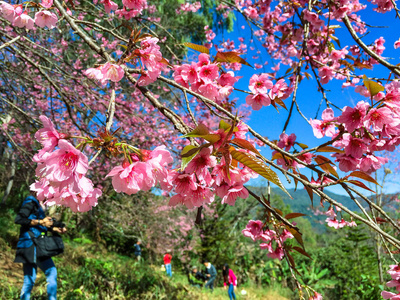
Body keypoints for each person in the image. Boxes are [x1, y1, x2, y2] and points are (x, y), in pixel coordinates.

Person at [14, 194, 67, 300]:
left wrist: (55, 229)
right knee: (50, 272)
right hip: (30, 244)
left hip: (32, 244)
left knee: (30, 279)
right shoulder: (31, 202)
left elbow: (38, 226)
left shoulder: (38, 204)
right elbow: (19, 219)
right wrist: (41, 221)